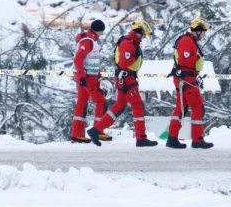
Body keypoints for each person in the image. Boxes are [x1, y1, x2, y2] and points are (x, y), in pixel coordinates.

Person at [88, 20, 158, 147]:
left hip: (125, 79)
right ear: (139, 32)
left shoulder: (131, 42)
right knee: (137, 105)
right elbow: (123, 63)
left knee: (119, 107)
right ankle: (141, 138)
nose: (144, 37)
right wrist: (134, 58)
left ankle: (95, 130)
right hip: (127, 80)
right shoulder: (128, 43)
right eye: (143, 34)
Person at [166, 18, 214, 150]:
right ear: (197, 31)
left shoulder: (189, 40)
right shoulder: (187, 41)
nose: (205, 34)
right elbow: (185, 60)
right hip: (186, 79)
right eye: (204, 32)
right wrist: (197, 57)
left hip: (186, 78)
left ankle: (172, 138)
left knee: (181, 109)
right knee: (197, 107)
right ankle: (197, 140)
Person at [70, 20, 111, 143]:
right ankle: (98, 130)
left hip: (87, 77)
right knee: (101, 101)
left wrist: (97, 75)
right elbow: (78, 58)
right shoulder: (88, 41)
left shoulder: (90, 40)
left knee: (82, 103)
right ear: (98, 30)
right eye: (102, 32)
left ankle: (77, 134)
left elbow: (91, 61)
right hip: (87, 78)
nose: (102, 34)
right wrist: (83, 76)